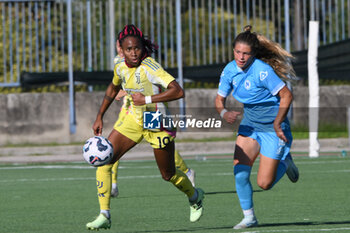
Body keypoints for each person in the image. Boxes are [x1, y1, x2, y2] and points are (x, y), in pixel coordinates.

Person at [86, 24, 204, 230]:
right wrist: (99, 115)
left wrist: (147, 98)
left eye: (137, 48)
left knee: (168, 174)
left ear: (143, 48)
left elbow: (178, 91)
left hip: (157, 120)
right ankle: (104, 214)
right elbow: (113, 87)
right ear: (121, 50)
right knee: (105, 160)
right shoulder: (120, 66)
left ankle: (195, 197)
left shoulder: (150, 66)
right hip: (134, 119)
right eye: (129, 49)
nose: (134, 53)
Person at [215, 25, 299, 229]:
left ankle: (285, 163)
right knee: (240, 173)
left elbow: (286, 95)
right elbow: (219, 99)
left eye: (246, 53)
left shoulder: (262, 71)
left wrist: (278, 122)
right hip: (250, 126)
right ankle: (249, 217)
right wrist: (224, 113)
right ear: (233, 50)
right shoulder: (229, 70)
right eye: (237, 52)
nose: (241, 57)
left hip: (272, 128)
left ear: (253, 54)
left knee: (264, 184)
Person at [110, 41, 196, 198]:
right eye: (119, 47)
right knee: (111, 148)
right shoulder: (118, 61)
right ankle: (113, 184)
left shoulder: (146, 62)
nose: (124, 51)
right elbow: (121, 83)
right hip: (129, 109)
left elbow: (150, 83)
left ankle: (185, 171)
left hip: (150, 110)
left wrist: (144, 97)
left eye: (133, 48)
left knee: (161, 145)